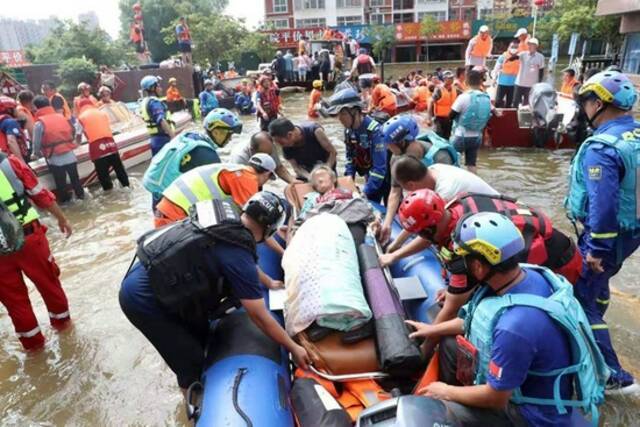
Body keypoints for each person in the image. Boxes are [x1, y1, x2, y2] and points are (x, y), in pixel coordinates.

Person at [408, 212, 605, 427]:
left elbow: (496, 398)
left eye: (464, 260)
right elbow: (479, 319)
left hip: (530, 414)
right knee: (448, 343)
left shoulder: (515, 326)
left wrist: (446, 392)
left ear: (479, 267)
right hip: (523, 377)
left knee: (440, 412)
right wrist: (431, 329)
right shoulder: (527, 275)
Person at [120, 194, 310, 393]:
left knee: (200, 333)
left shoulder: (229, 223)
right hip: (141, 298)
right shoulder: (237, 251)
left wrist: (269, 281)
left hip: (147, 270)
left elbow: (242, 262)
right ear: (269, 229)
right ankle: (193, 411)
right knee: (191, 361)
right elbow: (259, 315)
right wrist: (293, 348)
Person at [393, 188, 582, 328]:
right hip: (552, 244)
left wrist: (428, 340)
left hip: (561, 263)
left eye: (423, 234)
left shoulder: (462, 244)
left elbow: (451, 308)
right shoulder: (459, 204)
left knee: (579, 318)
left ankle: (608, 374)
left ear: (429, 230)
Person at [567, 70, 640, 393]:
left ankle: (613, 375)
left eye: (586, 103)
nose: (584, 110)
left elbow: (603, 205)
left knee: (581, 296)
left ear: (599, 103)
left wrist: (597, 247)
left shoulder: (602, 147)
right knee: (597, 284)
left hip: (607, 235)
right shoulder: (635, 136)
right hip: (631, 231)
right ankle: (599, 308)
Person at [0, 151, 73, 350]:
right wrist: (62, 218)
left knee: (15, 303)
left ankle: (34, 350)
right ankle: (66, 332)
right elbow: (40, 195)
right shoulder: (10, 163)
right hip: (29, 238)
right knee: (50, 284)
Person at [378, 155, 496, 246]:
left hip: (495, 219)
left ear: (411, 185)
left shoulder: (444, 193)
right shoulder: (434, 169)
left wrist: (394, 250)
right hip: (486, 209)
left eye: (407, 190)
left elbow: (432, 232)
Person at [154, 153, 277, 228]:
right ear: (266, 173)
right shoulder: (248, 180)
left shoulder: (234, 170)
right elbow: (252, 221)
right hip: (176, 214)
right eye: (268, 178)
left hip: (165, 207)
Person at [321, 88, 389, 202]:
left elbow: (380, 168)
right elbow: (350, 159)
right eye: (338, 115)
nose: (340, 119)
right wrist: (348, 183)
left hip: (387, 175)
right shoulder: (349, 131)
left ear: (355, 112)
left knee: (391, 207)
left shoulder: (375, 131)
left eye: (343, 114)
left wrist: (364, 192)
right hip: (370, 173)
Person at [32, 96, 84, 203]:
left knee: (61, 184)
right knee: (76, 181)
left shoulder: (39, 123)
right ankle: (81, 197)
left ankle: (67, 205)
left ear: (36, 108)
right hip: (70, 155)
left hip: (54, 158)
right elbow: (72, 131)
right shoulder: (61, 117)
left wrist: (35, 154)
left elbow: (36, 144)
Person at [76, 99, 129, 191]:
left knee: (103, 174)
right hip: (111, 144)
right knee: (120, 170)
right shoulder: (101, 113)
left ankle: (109, 194)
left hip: (97, 148)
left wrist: (76, 145)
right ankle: (127, 186)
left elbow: (78, 135)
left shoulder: (81, 117)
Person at [450, 69, 494, 174]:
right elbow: (492, 112)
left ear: (466, 82)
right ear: (480, 82)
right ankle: (474, 186)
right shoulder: (486, 98)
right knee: (471, 164)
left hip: (461, 136)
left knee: (452, 162)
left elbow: (451, 115)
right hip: (477, 137)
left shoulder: (463, 97)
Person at [268, 118, 337, 181]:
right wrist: (310, 178)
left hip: (327, 167)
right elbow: (297, 168)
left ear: (290, 135)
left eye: (281, 143)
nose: (280, 146)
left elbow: (333, 152)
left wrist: (326, 170)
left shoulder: (315, 131)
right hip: (306, 174)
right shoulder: (286, 147)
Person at [229, 131, 296, 184]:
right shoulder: (240, 158)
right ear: (252, 150)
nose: (267, 157)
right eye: (263, 155)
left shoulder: (269, 147)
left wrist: (293, 181)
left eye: (269, 154)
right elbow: (241, 183)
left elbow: (279, 168)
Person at [140, 76, 175, 155]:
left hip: (155, 140)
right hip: (162, 139)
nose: (161, 88)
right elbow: (161, 120)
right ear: (152, 88)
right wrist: (173, 137)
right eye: (158, 86)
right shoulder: (154, 103)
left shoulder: (145, 101)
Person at [511, 38, 545, 108]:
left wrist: (539, 84)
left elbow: (541, 71)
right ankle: (514, 117)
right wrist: (514, 52)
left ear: (536, 46)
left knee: (527, 104)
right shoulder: (523, 54)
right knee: (515, 102)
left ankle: (524, 117)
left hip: (531, 85)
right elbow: (513, 58)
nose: (529, 46)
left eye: (531, 45)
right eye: (528, 45)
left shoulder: (541, 57)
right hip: (520, 83)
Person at [428, 70, 458, 139]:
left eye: (452, 78)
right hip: (439, 118)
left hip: (449, 118)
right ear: (444, 79)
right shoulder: (439, 90)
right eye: (449, 78)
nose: (452, 79)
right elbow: (430, 102)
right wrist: (429, 118)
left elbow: (464, 96)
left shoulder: (455, 89)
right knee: (438, 136)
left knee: (447, 137)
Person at [0, 96, 28, 162]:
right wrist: (21, 161)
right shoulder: (10, 122)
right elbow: (11, 141)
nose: (16, 110)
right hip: (11, 160)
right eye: (14, 108)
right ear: (9, 110)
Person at [492, 42, 520, 108]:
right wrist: (494, 79)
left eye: (516, 47)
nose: (514, 49)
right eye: (512, 47)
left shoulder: (520, 58)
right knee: (498, 102)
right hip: (502, 83)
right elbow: (496, 69)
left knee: (510, 103)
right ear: (508, 48)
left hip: (513, 84)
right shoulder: (502, 57)